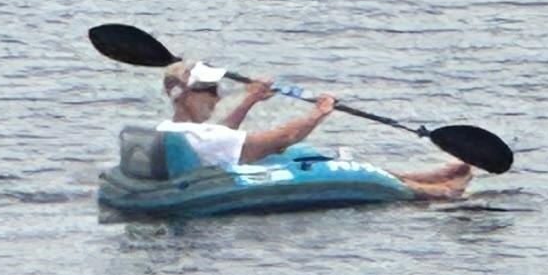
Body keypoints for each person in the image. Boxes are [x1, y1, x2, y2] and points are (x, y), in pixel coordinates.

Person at [160, 60, 472, 201]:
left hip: (203, 172)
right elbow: (281, 139)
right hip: (209, 186)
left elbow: (222, 139)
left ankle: (421, 176)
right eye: (210, 91)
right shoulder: (199, 136)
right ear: (184, 96)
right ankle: (439, 191)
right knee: (329, 164)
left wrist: (251, 100)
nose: (218, 96)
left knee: (313, 157)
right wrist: (319, 113)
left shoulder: (178, 131)